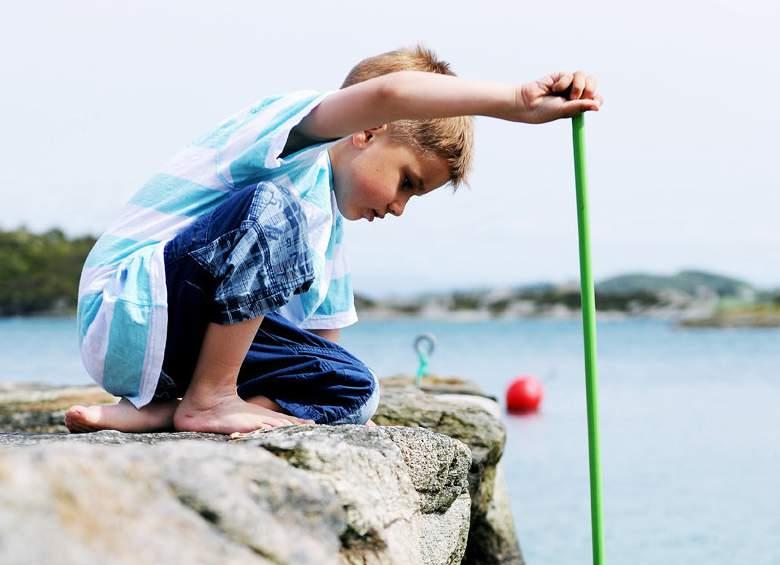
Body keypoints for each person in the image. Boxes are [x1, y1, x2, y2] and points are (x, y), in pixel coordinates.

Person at [66, 46, 601, 438]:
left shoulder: (329, 238)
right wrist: (515, 100)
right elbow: (390, 93)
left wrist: (325, 385)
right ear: (366, 131)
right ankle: (208, 401)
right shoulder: (291, 141)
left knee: (355, 386)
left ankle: (171, 409)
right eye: (407, 182)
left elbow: (319, 354)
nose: (398, 207)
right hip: (127, 308)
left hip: (169, 360)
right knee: (274, 211)